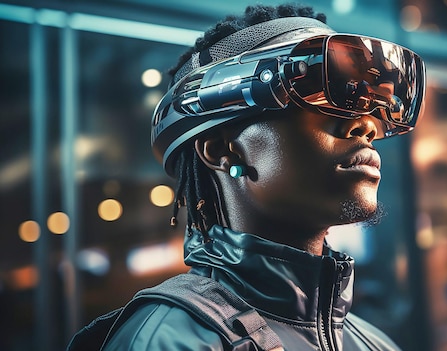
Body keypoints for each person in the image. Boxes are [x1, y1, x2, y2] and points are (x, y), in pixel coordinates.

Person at [73, 3, 425, 350]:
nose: (366, 125)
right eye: (319, 90)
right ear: (222, 151)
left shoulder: (376, 344)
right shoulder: (169, 341)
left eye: (366, 105)